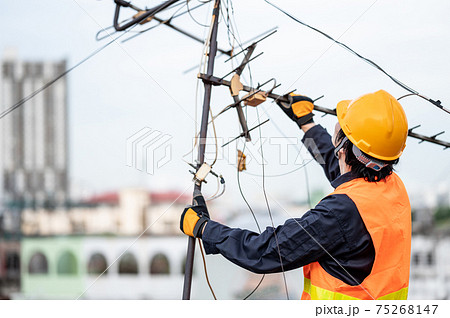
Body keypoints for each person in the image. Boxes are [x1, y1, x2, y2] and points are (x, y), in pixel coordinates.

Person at [180, 90, 411, 300]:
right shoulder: (392, 187)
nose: (337, 125)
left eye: (341, 124)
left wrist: (205, 229)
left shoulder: (339, 213)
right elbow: (341, 166)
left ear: (342, 147)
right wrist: (307, 124)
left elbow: (266, 251)